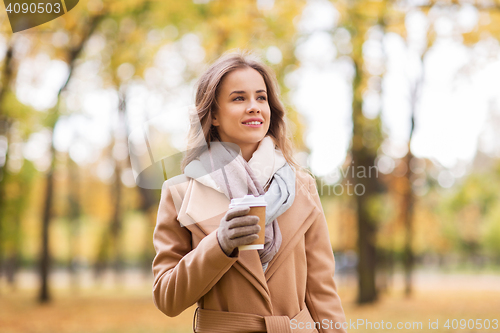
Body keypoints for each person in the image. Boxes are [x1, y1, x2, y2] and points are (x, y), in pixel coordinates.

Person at [152, 50, 348, 333]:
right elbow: (167, 298)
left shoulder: (301, 186)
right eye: (239, 98)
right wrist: (220, 244)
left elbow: (322, 291)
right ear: (214, 115)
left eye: (261, 97)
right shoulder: (180, 193)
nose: (254, 106)